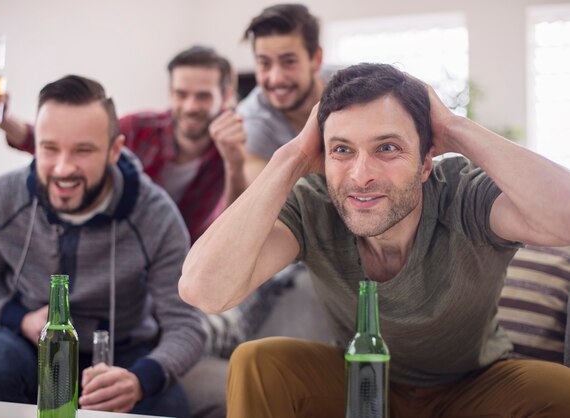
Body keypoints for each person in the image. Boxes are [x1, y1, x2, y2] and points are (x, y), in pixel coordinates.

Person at [178, 63, 570, 417]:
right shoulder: (316, 203)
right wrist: (294, 156)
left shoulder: (463, 193)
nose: (361, 175)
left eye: (387, 148)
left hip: (472, 388)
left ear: (425, 164)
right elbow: (204, 291)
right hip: (358, 381)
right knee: (258, 362)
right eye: (342, 150)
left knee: (558, 389)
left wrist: (453, 127)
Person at [0, 75, 204, 418]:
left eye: (83, 150)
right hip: (31, 344)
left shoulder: (156, 215)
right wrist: (21, 319)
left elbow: (186, 325)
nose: (62, 168)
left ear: (114, 150)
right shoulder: (2, 199)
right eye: (50, 148)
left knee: (168, 406)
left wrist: (140, 380)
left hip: (124, 352)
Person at [0, 45, 247, 243]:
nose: (190, 107)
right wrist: (4, 120)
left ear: (224, 97)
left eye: (202, 97)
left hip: (181, 258)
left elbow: (236, 225)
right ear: (170, 93)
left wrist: (235, 163)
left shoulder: (234, 143)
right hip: (123, 247)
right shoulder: (142, 128)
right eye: (181, 94)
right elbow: (62, 143)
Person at [238, 3, 329, 183]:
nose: (276, 79)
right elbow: (263, 205)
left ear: (316, 60)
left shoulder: (354, 88)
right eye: (264, 63)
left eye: (289, 62)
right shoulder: (253, 123)